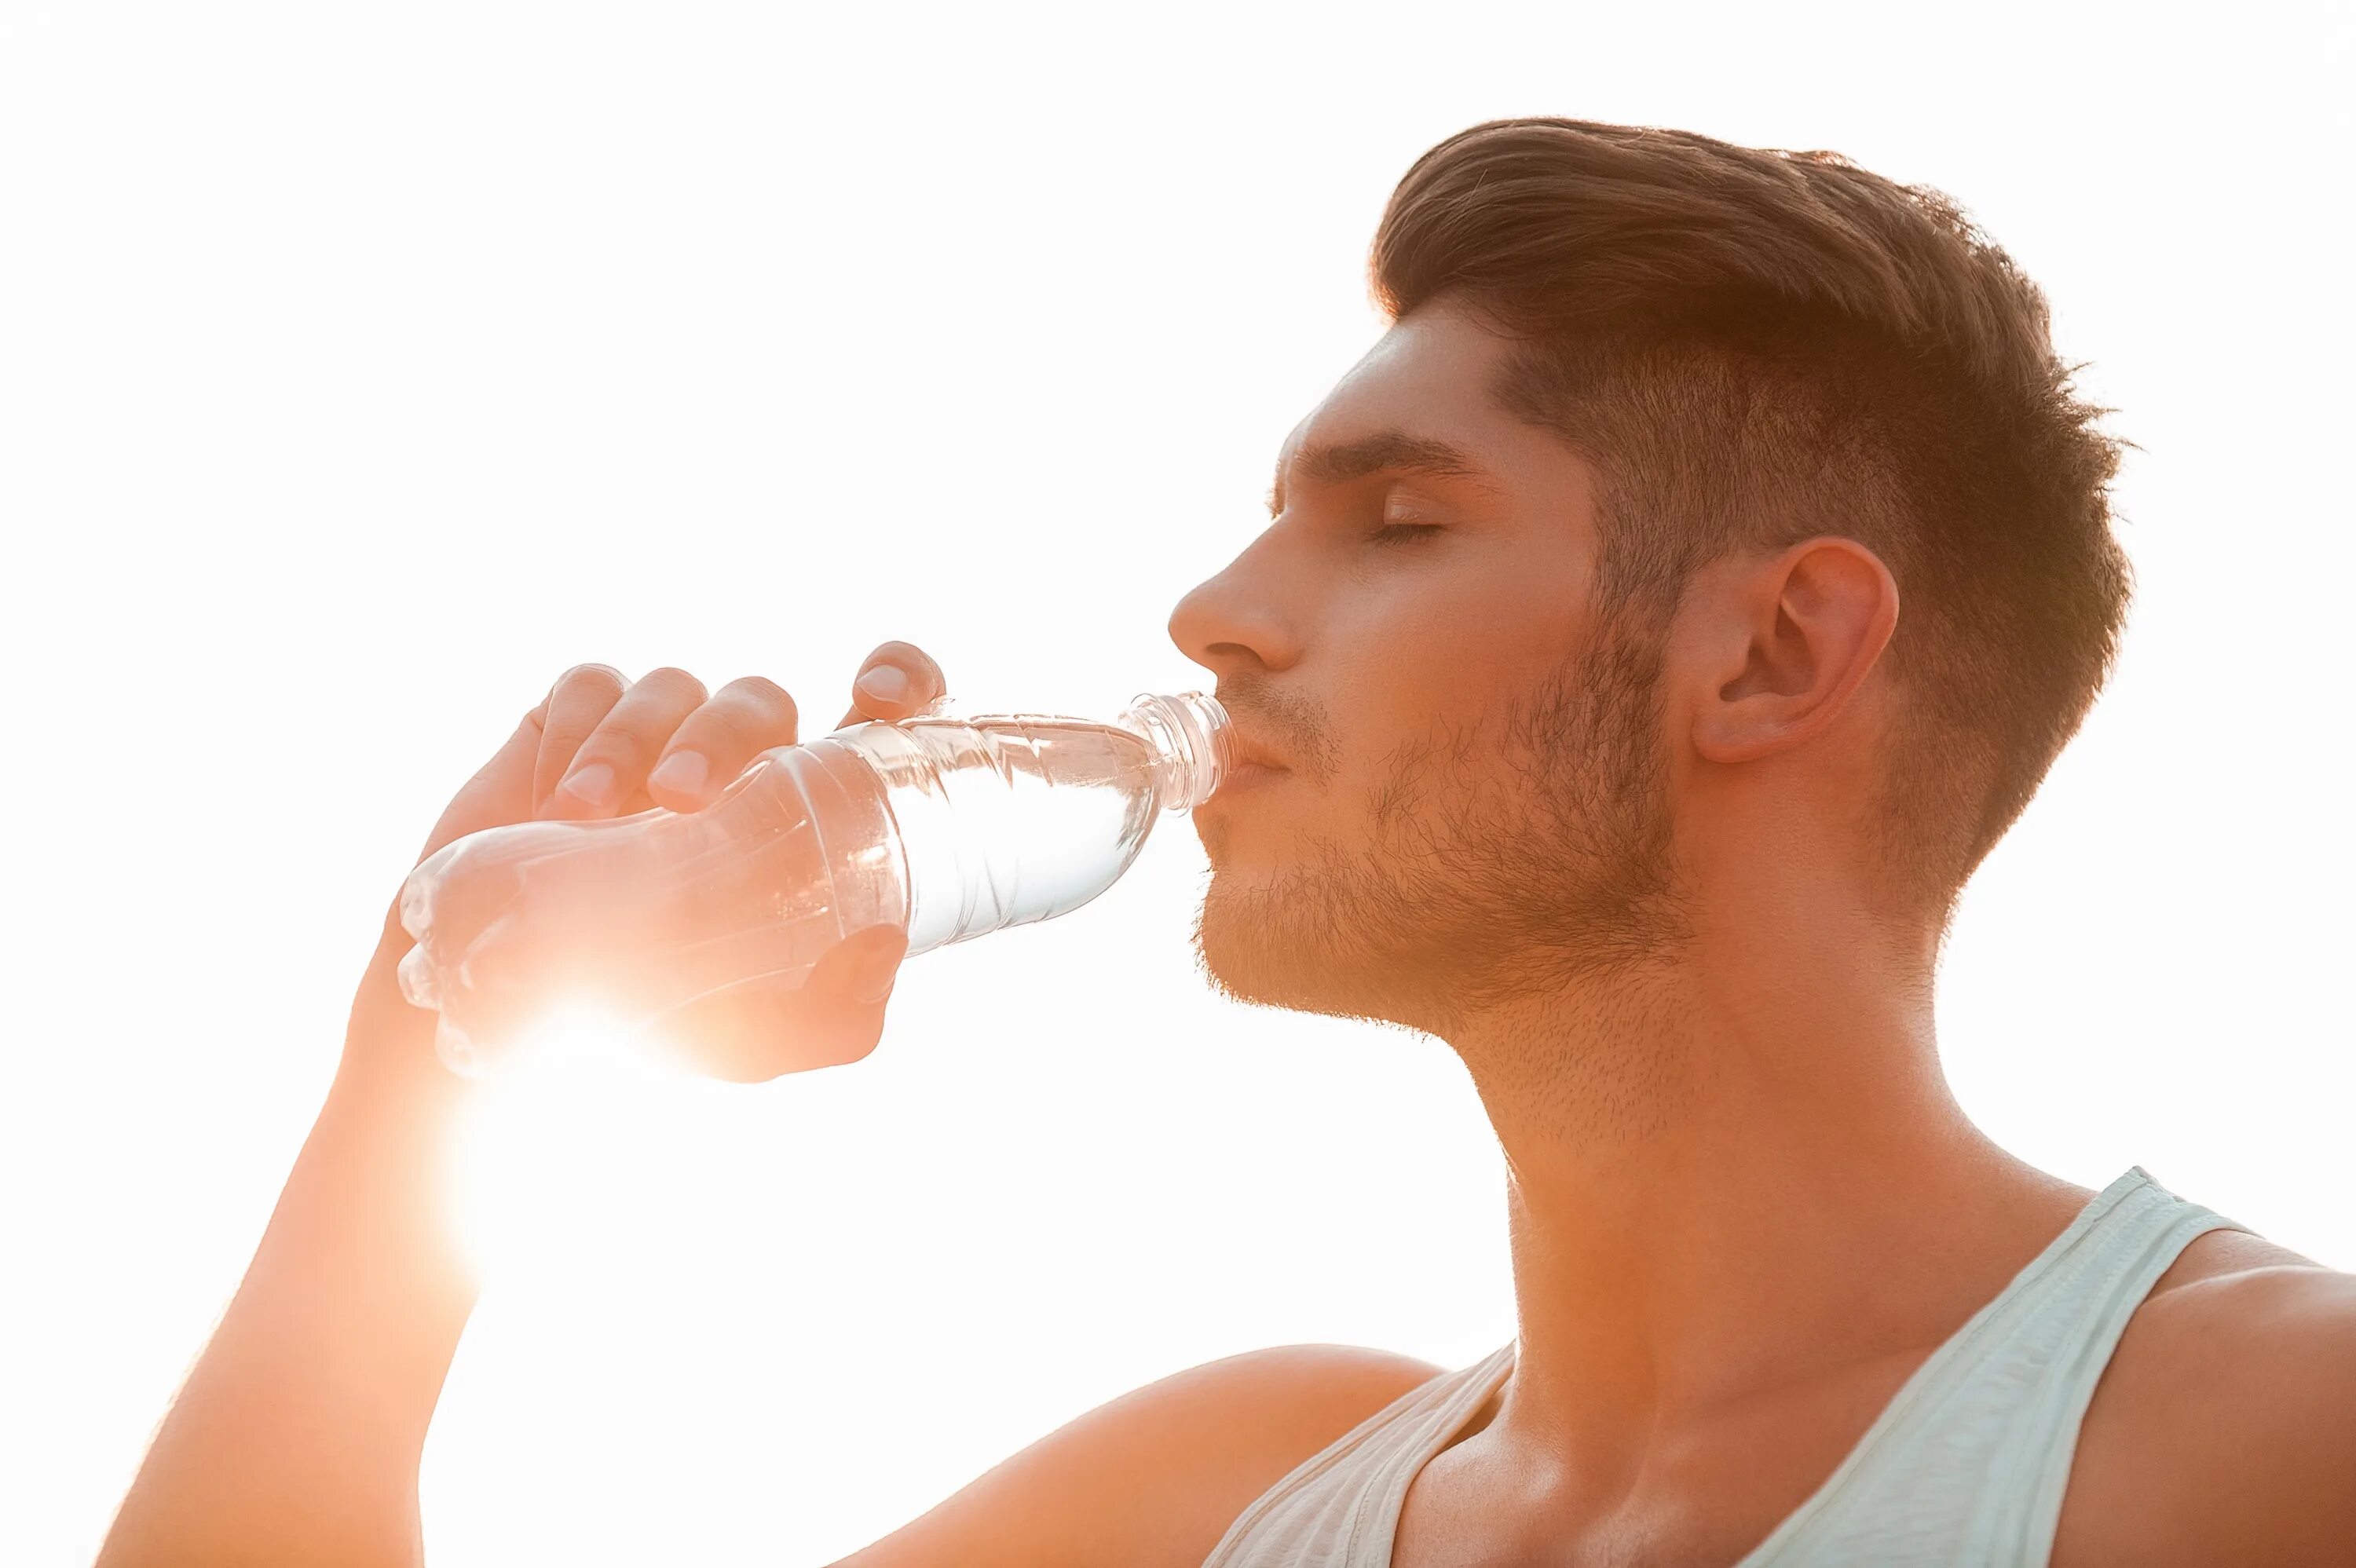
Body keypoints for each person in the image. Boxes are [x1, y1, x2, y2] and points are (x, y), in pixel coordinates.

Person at [97, 119, 2355, 1568]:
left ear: (1773, 655)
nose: (1210, 614)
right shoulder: (1220, 1503)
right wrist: (439, 1069)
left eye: (1395, 517)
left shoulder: (2265, 1448)